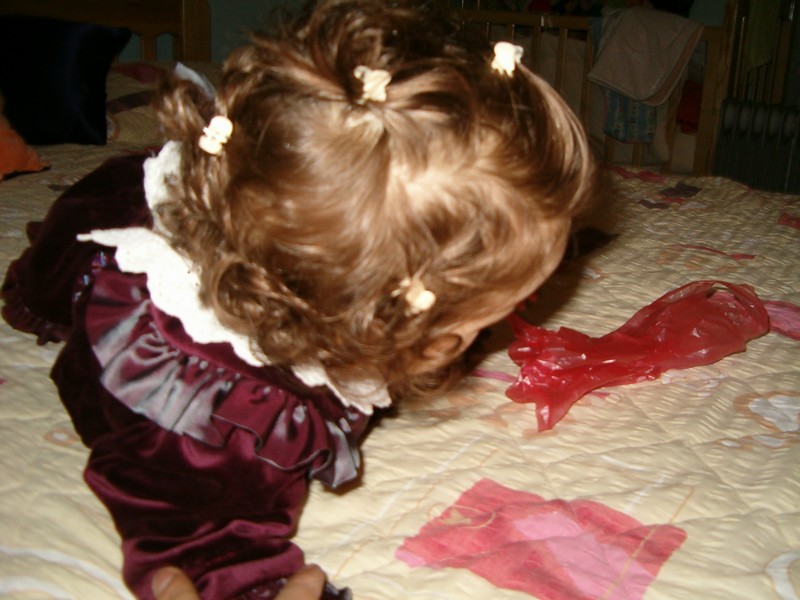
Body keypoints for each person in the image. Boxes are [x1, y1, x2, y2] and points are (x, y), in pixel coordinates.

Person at [1, 0, 600, 597]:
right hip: (90, 241)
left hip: (194, 210)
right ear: (386, 318)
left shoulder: (312, 232)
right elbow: (198, 541)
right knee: (67, 257)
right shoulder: (214, 421)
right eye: (485, 317)